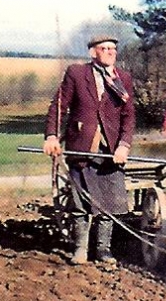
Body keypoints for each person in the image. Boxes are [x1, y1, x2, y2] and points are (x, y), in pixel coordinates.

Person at [43, 35, 135, 265]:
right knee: (80, 202)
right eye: (104, 48)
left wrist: (124, 145)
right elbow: (59, 106)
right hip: (82, 147)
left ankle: (104, 250)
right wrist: (52, 136)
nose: (110, 52)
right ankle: (80, 249)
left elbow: (129, 116)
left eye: (113, 48)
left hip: (111, 152)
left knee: (109, 204)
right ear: (93, 53)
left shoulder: (122, 78)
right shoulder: (76, 73)